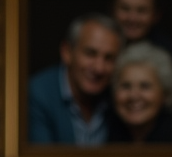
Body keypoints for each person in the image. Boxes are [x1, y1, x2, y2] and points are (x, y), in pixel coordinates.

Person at [28, 14, 123, 145]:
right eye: (90, 53)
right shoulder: (37, 95)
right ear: (67, 52)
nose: (99, 68)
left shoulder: (118, 95)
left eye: (109, 58)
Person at [108, 42, 172, 143]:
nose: (134, 95)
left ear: (165, 93)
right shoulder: (104, 135)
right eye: (126, 86)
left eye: (145, 86)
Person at [112, 0, 172, 69]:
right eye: (125, 9)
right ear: (113, 10)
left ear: (156, 15)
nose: (132, 18)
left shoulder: (170, 53)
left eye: (141, 11)